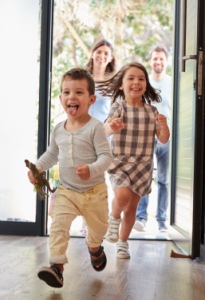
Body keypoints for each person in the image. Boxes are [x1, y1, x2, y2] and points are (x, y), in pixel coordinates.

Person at [27, 68, 112, 288]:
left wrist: (92, 169)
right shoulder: (58, 130)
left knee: (99, 228)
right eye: (66, 92)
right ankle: (57, 266)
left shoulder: (96, 127)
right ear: (61, 98)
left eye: (79, 92)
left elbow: (106, 156)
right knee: (58, 225)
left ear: (91, 99)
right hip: (67, 190)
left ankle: (94, 247)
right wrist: (37, 168)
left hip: (94, 192)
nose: (72, 97)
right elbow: (52, 154)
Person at [99, 62, 170, 259]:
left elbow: (163, 139)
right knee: (122, 196)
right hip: (120, 163)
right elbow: (105, 129)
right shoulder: (118, 107)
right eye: (131, 78)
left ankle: (123, 243)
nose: (136, 82)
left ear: (146, 85)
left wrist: (163, 126)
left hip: (143, 167)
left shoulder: (152, 111)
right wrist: (112, 127)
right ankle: (113, 219)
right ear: (121, 85)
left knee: (132, 208)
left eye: (141, 79)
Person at [79, 39, 117, 236]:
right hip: (83, 133)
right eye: (99, 51)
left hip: (102, 135)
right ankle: (86, 223)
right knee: (86, 178)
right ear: (93, 53)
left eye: (106, 53)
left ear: (110, 58)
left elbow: (114, 111)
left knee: (100, 178)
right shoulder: (84, 79)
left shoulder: (112, 84)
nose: (102, 56)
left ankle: (101, 220)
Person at [133, 46, 172, 232]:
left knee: (164, 179)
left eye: (161, 59)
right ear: (151, 61)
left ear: (166, 61)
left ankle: (162, 220)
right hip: (146, 137)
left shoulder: (172, 83)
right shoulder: (144, 83)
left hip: (166, 137)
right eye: (155, 59)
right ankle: (141, 217)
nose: (158, 62)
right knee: (144, 177)